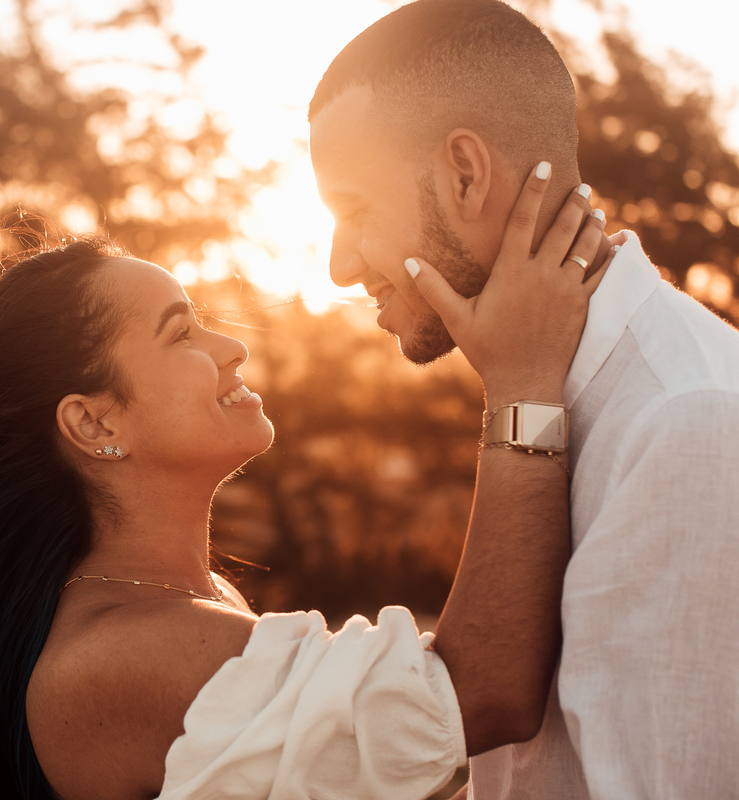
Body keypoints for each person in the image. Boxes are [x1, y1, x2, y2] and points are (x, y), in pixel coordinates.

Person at [0, 165, 606, 798]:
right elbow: (477, 692)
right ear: (94, 423)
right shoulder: (131, 651)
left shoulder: (181, 606)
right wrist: (524, 384)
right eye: (181, 334)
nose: (230, 348)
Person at [308, 1, 739, 797]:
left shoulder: (685, 420)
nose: (337, 265)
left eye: (353, 210)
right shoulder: (543, 398)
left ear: (465, 174)